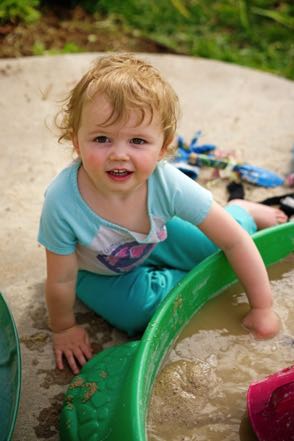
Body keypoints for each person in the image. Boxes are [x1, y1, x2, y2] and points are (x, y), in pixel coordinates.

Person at [38, 53, 287, 375]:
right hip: (99, 271)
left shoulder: (167, 183)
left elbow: (235, 241)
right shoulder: (62, 202)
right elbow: (61, 278)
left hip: (159, 237)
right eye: (101, 138)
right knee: (136, 316)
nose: (119, 154)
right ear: (76, 141)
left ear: (163, 146)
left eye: (138, 140)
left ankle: (243, 211)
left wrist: (263, 307)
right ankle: (191, 280)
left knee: (224, 246)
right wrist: (62, 328)